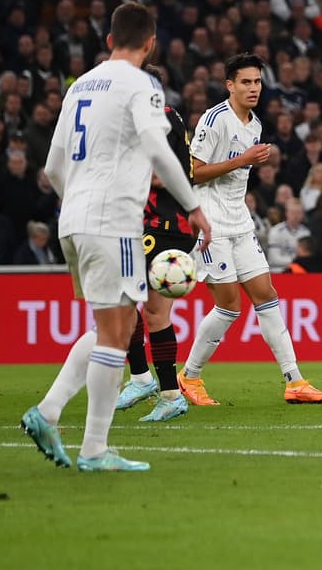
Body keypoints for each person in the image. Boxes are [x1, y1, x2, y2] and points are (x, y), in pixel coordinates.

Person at [21, 2, 211, 472]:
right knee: (114, 332)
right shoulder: (142, 84)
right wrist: (193, 206)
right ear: (151, 44)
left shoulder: (80, 85)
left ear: (109, 40)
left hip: (74, 219)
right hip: (114, 221)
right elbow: (159, 152)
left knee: (115, 326)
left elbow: (52, 167)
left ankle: (49, 412)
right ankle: (92, 449)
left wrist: (77, 204)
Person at [177, 53, 322, 405]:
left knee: (267, 295)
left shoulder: (255, 124)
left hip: (240, 221)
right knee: (230, 307)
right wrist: (243, 160)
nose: (253, 88)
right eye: (246, 82)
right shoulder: (214, 119)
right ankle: (189, 376)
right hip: (211, 223)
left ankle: (295, 381)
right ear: (230, 85)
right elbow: (193, 172)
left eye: (258, 82)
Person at [114, 69, 197, 422]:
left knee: (150, 310)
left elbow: (164, 176)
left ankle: (167, 393)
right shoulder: (158, 118)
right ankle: (144, 380)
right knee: (129, 302)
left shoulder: (160, 120)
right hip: (149, 223)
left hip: (167, 225)